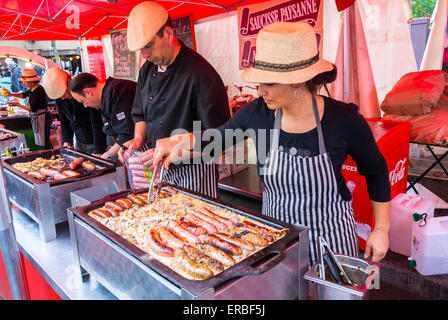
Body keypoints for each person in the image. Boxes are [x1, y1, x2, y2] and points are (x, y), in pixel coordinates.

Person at [151, 22, 391, 264]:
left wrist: (381, 229)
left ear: (298, 81)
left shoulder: (343, 119)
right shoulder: (257, 113)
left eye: (269, 83)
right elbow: (217, 139)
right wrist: (178, 143)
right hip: (279, 239)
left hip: (332, 238)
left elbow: (376, 168)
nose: (260, 90)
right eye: (260, 82)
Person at [120, 1, 230, 197]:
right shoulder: (147, 70)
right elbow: (140, 114)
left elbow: (219, 137)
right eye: (141, 50)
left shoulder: (201, 74)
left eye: (149, 46)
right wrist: (137, 139)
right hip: (159, 169)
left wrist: (175, 151)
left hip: (193, 172)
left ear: (168, 34)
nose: (145, 55)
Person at [68, 73, 136, 160]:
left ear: (88, 92)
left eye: (82, 101)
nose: (85, 106)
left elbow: (127, 134)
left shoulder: (118, 92)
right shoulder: (105, 96)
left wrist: (107, 155)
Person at [42, 67, 107, 155]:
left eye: (63, 93)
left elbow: (97, 123)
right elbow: (64, 120)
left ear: (69, 82)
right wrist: (67, 140)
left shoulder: (82, 90)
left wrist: (98, 151)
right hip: (79, 141)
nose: (62, 98)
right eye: (59, 96)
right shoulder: (60, 99)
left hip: (98, 139)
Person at [4, 69, 53, 149]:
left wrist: (18, 105)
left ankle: (50, 155)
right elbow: (23, 95)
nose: (23, 83)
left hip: (43, 118)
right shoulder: (33, 89)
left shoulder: (38, 90)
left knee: (45, 142)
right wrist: (11, 94)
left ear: (31, 81)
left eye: (24, 81)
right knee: (43, 141)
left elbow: (32, 108)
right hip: (39, 117)